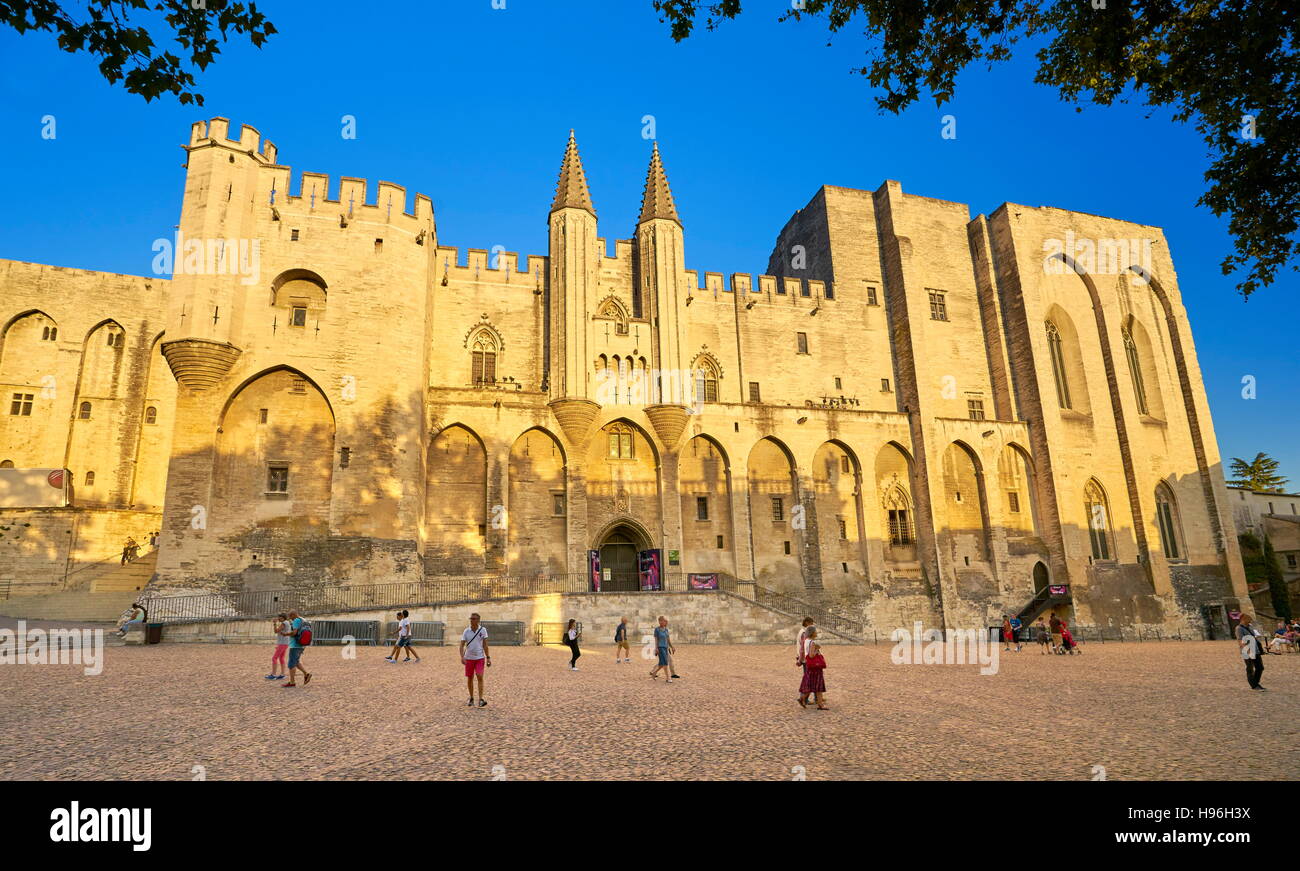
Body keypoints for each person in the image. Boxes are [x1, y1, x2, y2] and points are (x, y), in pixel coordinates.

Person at [459, 613, 491, 706]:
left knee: (479, 676)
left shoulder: (483, 630)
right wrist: (462, 657)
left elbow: (485, 645)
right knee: (470, 678)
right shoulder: (466, 631)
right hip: (469, 658)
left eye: (473, 619)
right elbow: (461, 645)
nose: (471, 620)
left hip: (480, 657)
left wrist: (488, 657)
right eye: (471, 618)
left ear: (478, 620)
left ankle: (481, 699)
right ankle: (471, 698)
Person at [798, 627, 828, 710]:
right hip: (815, 667)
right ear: (812, 633)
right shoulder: (812, 642)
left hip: (810, 666)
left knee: (811, 684)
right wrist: (817, 649)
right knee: (818, 685)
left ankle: (803, 699)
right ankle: (820, 704)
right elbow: (811, 655)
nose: (816, 633)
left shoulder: (806, 641)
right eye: (815, 632)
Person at [282, 610, 313, 688]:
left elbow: (294, 632)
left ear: (293, 615)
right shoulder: (304, 620)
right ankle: (306, 674)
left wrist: (286, 634)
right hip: (302, 645)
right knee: (296, 661)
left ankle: (292, 682)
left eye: (290, 617)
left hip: (295, 645)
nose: (290, 619)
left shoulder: (296, 620)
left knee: (291, 664)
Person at [1237, 612, 1265, 690]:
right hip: (1247, 651)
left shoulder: (1250, 627)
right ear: (1243, 619)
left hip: (1255, 649)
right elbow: (1240, 640)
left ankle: (1255, 683)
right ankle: (1255, 685)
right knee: (1250, 668)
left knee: (1260, 667)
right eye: (1248, 618)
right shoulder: (1239, 628)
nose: (1250, 620)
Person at [649, 616, 675, 682]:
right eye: (663, 621)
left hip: (665, 648)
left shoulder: (666, 630)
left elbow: (668, 639)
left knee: (661, 663)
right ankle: (668, 678)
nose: (665, 622)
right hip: (660, 648)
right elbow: (656, 640)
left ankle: (654, 673)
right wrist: (656, 648)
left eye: (665, 621)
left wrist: (672, 647)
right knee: (665, 663)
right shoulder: (657, 630)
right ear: (660, 621)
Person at [265, 613, 289, 680]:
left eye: (280, 617)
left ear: (283, 618)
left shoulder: (284, 623)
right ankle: (282, 674)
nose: (278, 619)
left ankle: (273, 674)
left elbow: (276, 631)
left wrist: (275, 623)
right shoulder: (286, 622)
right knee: (281, 658)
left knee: (274, 658)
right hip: (285, 643)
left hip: (282, 643)